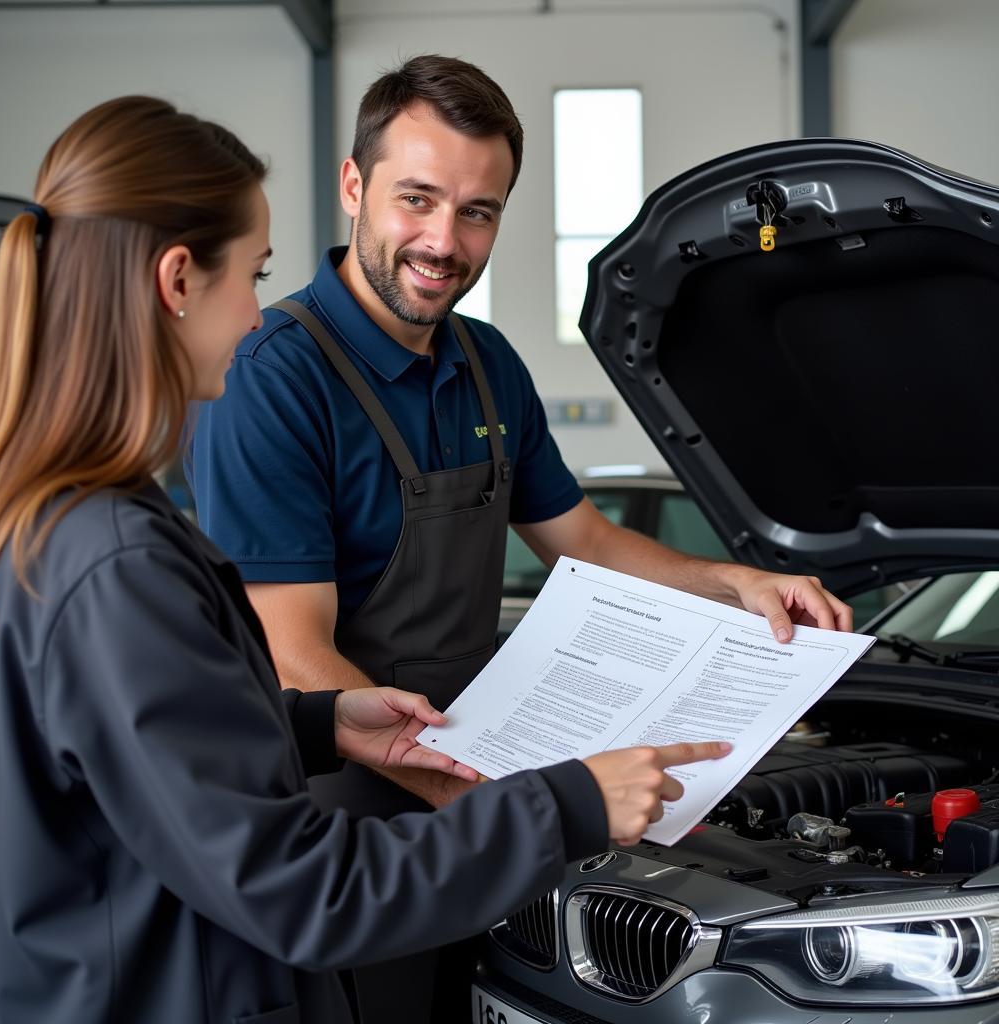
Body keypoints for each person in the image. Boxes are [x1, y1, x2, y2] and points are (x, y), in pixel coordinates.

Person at [0, 95, 733, 1024]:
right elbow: (301, 890)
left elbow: (133, 744)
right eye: (251, 275)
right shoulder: (119, 558)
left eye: (478, 210)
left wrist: (318, 720)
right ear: (179, 280)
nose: (255, 315)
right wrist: (565, 803)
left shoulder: (56, 517)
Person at [190, 53, 853, 1021]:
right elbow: (296, 658)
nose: (442, 240)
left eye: (478, 210)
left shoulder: (487, 360)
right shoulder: (274, 374)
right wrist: (496, 806)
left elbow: (582, 538)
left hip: (485, 790)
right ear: (352, 185)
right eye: (416, 199)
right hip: (359, 826)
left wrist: (735, 582)